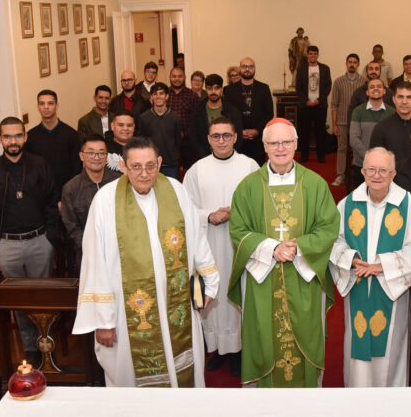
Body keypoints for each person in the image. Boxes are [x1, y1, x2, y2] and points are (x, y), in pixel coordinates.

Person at [73, 137, 218, 387]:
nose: (144, 174)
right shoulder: (106, 201)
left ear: (160, 163)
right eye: (136, 167)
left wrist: (208, 284)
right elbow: (94, 261)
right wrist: (103, 321)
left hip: (176, 304)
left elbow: (196, 239)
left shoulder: (176, 191)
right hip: (127, 314)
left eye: (150, 166)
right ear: (123, 166)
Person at [228, 119, 340, 387]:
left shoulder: (314, 184)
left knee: (304, 335)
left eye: (286, 142)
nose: (280, 148)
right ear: (264, 146)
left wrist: (299, 246)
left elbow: (328, 227)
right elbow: (238, 229)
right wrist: (271, 248)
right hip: (263, 279)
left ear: (296, 143)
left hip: (303, 278)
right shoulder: (248, 186)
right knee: (264, 337)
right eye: (274, 143)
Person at [329, 147, 411, 387]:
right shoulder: (347, 204)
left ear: (393, 174)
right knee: (357, 346)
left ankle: (389, 400)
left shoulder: (408, 204)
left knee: (391, 346)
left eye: (383, 170)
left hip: (391, 291)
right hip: (358, 285)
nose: (377, 175)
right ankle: (357, 396)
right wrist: (351, 260)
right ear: (362, 172)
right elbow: (333, 241)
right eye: (371, 169)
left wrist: (382, 266)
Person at [0, 117, 60, 366]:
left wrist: (51, 239)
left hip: (39, 241)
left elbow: (51, 203)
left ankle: (46, 343)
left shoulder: (40, 165)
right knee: (18, 302)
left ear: (25, 137)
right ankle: (30, 347)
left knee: (43, 299)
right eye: (7, 136)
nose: (12, 141)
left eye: (17, 135)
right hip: (7, 246)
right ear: (0, 139)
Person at [183, 118, 259, 377]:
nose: (222, 140)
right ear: (208, 139)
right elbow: (186, 208)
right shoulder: (196, 170)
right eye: (216, 136)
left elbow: (261, 203)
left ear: (236, 137)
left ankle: (239, 349)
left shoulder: (250, 166)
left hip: (241, 244)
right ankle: (217, 348)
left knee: (238, 291)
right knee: (211, 293)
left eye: (227, 135)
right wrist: (209, 215)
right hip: (208, 243)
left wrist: (235, 214)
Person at [61, 134, 120, 274]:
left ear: (106, 156)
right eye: (91, 153)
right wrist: (92, 246)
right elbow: (71, 226)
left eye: (101, 153)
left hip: (118, 252)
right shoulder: (71, 188)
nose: (96, 157)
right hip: (87, 253)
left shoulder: (119, 182)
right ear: (81, 156)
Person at [25, 89, 82, 194]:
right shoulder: (30, 137)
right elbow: (29, 169)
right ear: (38, 107)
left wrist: (67, 193)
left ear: (57, 106)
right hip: (40, 193)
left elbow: (77, 168)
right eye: (42, 103)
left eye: (50, 103)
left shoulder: (71, 135)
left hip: (67, 192)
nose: (46, 107)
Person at [223, 57, 274, 164]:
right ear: (240, 68)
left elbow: (269, 113)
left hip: (258, 139)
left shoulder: (263, 88)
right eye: (244, 66)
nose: (247, 69)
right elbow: (226, 114)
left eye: (250, 66)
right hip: (237, 139)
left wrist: (257, 130)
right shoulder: (229, 90)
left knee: (257, 168)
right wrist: (238, 131)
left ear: (254, 69)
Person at [349, 78, 393, 190]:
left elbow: (393, 140)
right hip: (362, 164)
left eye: (379, 86)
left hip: (385, 166)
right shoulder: (358, 111)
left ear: (384, 91)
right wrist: (369, 157)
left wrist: (383, 159)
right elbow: (354, 139)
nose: (375, 89)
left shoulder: (392, 112)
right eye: (372, 87)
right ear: (367, 92)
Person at [189, 74, 242, 162]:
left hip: (228, 159)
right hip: (204, 159)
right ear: (206, 89)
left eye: (216, 88)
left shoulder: (232, 111)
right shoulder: (198, 111)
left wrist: (227, 155)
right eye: (210, 88)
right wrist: (207, 158)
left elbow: (238, 137)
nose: (213, 92)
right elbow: (194, 138)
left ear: (221, 89)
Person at [329, 53, 364, 187]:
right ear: (346, 64)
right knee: (342, 148)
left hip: (359, 122)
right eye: (350, 62)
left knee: (358, 148)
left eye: (355, 62)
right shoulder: (338, 81)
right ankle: (341, 175)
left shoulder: (364, 81)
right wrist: (334, 124)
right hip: (342, 121)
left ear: (358, 65)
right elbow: (334, 104)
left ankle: (359, 174)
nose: (352, 64)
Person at [136, 82, 182, 180]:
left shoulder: (176, 118)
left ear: (167, 96)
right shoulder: (143, 118)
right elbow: (142, 142)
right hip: (150, 165)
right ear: (151, 98)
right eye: (155, 94)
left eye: (161, 93)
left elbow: (178, 142)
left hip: (171, 166)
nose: (158, 96)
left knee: (172, 189)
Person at [294, 45, 332, 164]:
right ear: (307, 55)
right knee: (304, 131)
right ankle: (304, 155)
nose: (313, 56)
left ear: (318, 55)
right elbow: (298, 87)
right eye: (310, 53)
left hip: (320, 106)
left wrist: (319, 100)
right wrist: (306, 101)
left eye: (315, 54)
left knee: (320, 131)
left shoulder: (325, 68)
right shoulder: (301, 69)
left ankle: (321, 155)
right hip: (305, 106)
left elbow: (328, 86)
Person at [370, 82, 411, 167]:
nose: (404, 101)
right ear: (394, 99)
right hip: (390, 174)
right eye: (400, 97)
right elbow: (374, 160)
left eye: (409, 97)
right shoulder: (381, 128)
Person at [168, 67, 201, 145]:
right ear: (170, 77)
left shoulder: (192, 96)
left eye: (180, 76)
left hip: (187, 142)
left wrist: (185, 133)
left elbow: (197, 120)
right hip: (167, 140)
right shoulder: (164, 94)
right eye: (174, 76)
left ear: (185, 78)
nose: (177, 79)